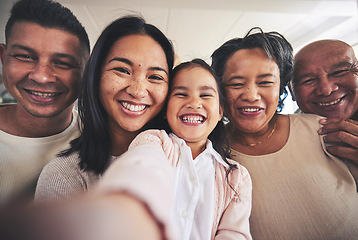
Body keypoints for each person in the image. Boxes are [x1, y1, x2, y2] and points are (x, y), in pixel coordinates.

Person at [211, 28, 358, 239]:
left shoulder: (324, 129)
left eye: (265, 82)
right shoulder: (210, 151)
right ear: (219, 90)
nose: (252, 96)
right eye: (236, 84)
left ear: (282, 88)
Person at [97, 58, 252, 239]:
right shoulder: (153, 141)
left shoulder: (236, 177)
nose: (194, 103)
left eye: (205, 95)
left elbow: (234, 235)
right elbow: (140, 167)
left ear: (220, 111)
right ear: (165, 109)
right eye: (181, 94)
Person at [35, 16, 174, 202]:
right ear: (96, 76)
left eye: (156, 77)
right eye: (123, 70)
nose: (138, 91)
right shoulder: (63, 176)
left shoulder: (186, 158)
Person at [0, 0, 90, 206]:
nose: (41, 76)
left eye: (63, 63)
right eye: (25, 56)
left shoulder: (101, 143)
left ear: (87, 71)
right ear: (3, 57)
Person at [291, 39, 358, 164]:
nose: (326, 90)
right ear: (292, 92)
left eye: (339, 72)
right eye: (308, 81)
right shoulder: (289, 137)